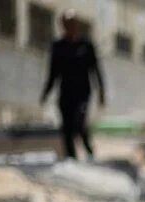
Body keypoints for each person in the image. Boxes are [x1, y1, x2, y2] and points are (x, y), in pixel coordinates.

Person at [40, 10, 105, 160]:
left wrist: (101, 91)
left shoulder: (86, 45)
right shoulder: (58, 46)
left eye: (72, 23)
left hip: (83, 93)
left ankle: (89, 151)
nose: (69, 26)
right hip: (65, 94)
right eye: (66, 24)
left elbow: (95, 70)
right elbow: (53, 73)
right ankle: (71, 158)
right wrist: (46, 93)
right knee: (67, 128)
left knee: (79, 122)